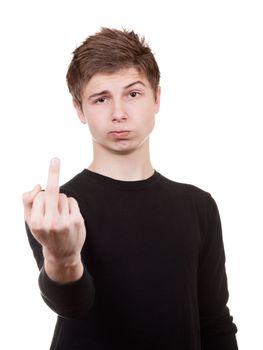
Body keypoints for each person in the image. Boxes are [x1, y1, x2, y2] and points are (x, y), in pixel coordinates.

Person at [22, 28, 238, 349]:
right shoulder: (58, 209)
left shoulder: (198, 206)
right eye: (101, 99)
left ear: (157, 99)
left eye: (133, 94)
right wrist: (62, 258)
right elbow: (73, 305)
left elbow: (215, 322)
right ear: (79, 110)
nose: (119, 113)